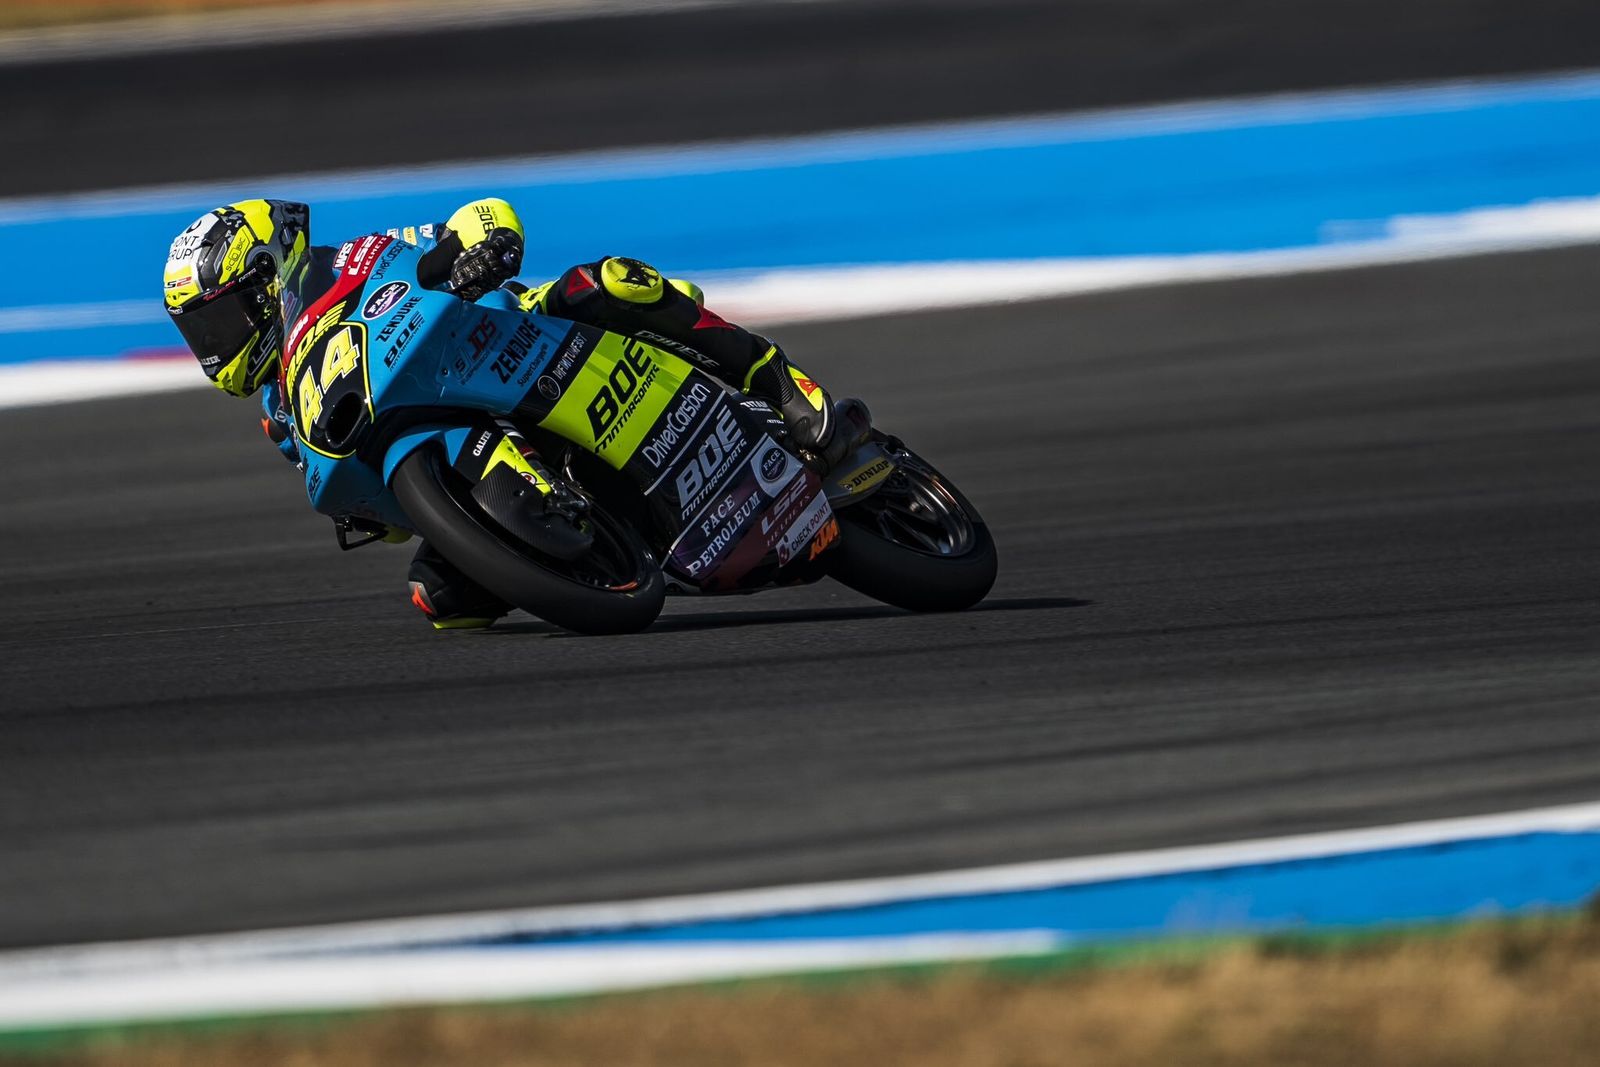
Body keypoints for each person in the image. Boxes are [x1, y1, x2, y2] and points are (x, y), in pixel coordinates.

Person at [163, 197, 867, 629]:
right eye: (203, 333)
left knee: (609, 283)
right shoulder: (285, 412)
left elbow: (473, 219)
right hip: (452, 441)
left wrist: (486, 246)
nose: (217, 345)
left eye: (222, 321)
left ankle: (784, 389)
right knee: (439, 599)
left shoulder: (357, 256)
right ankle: (596, 545)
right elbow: (375, 508)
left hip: (518, 339)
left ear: (269, 274)